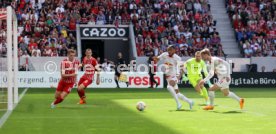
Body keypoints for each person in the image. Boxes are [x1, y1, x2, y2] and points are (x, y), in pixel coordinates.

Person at [154, 45, 194, 110]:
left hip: (174, 76)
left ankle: (178, 104)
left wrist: (178, 78)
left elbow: (182, 69)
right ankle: (190, 102)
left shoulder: (177, 58)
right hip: (168, 76)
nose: (168, 51)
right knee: (177, 93)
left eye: (170, 50)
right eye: (168, 50)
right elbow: (157, 59)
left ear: (174, 50)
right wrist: (155, 59)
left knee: (169, 87)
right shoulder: (164, 55)